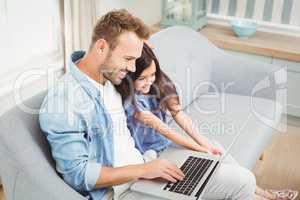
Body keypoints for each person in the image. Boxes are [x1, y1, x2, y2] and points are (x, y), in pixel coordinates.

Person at [38, 9, 297, 200]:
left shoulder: (109, 79)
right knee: (241, 182)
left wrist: (151, 165)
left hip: (147, 165)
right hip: (121, 190)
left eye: (134, 60)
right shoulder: (67, 99)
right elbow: (78, 174)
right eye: (128, 59)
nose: (131, 68)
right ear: (101, 47)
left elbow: (151, 99)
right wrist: (144, 170)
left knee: (231, 171)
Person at [116, 42, 298, 200]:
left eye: (152, 74)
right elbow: (165, 129)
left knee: (217, 150)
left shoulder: (158, 84)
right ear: (130, 77)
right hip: (152, 155)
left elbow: (180, 116)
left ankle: (262, 193)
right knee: (211, 156)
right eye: (142, 78)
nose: (149, 82)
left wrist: (206, 145)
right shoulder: (132, 104)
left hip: (165, 145)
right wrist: (200, 149)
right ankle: (262, 196)